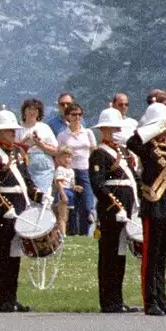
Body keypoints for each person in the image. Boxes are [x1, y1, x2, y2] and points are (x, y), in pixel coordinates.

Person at [0, 110, 40, 314]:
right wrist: (3, 206)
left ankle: (11, 297)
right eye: (9, 130)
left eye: (14, 130)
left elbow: (26, 181)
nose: (13, 133)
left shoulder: (16, 154)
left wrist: (38, 194)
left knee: (14, 255)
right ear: (0, 132)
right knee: (1, 255)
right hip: (1, 210)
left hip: (18, 207)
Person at [127, 102, 166, 316]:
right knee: (151, 256)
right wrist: (152, 128)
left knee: (162, 257)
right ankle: (150, 302)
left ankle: (162, 299)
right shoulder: (147, 146)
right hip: (153, 204)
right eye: (164, 124)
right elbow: (133, 141)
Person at [88, 108, 140, 313]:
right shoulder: (100, 154)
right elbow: (98, 184)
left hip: (127, 208)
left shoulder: (124, 152)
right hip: (112, 210)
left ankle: (117, 299)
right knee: (109, 255)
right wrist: (114, 204)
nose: (117, 131)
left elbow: (133, 178)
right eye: (114, 128)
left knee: (120, 256)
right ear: (105, 130)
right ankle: (108, 300)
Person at [56, 102, 95, 237]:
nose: (77, 117)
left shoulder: (88, 132)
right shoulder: (62, 135)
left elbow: (93, 151)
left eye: (79, 114)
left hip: (84, 169)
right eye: (74, 114)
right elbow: (59, 154)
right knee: (70, 204)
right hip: (69, 170)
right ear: (68, 116)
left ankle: (84, 232)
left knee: (86, 203)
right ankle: (72, 232)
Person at [18, 98, 58, 214]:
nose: (32, 112)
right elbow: (14, 149)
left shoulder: (44, 128)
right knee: (26, 198)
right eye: (29, 109)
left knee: (43, 197)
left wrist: (40, 144)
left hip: (43, 165)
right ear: (24, 111)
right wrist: (25, 140)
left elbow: (55, 150)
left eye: (36, 110)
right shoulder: (18, 128)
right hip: (25, 163)